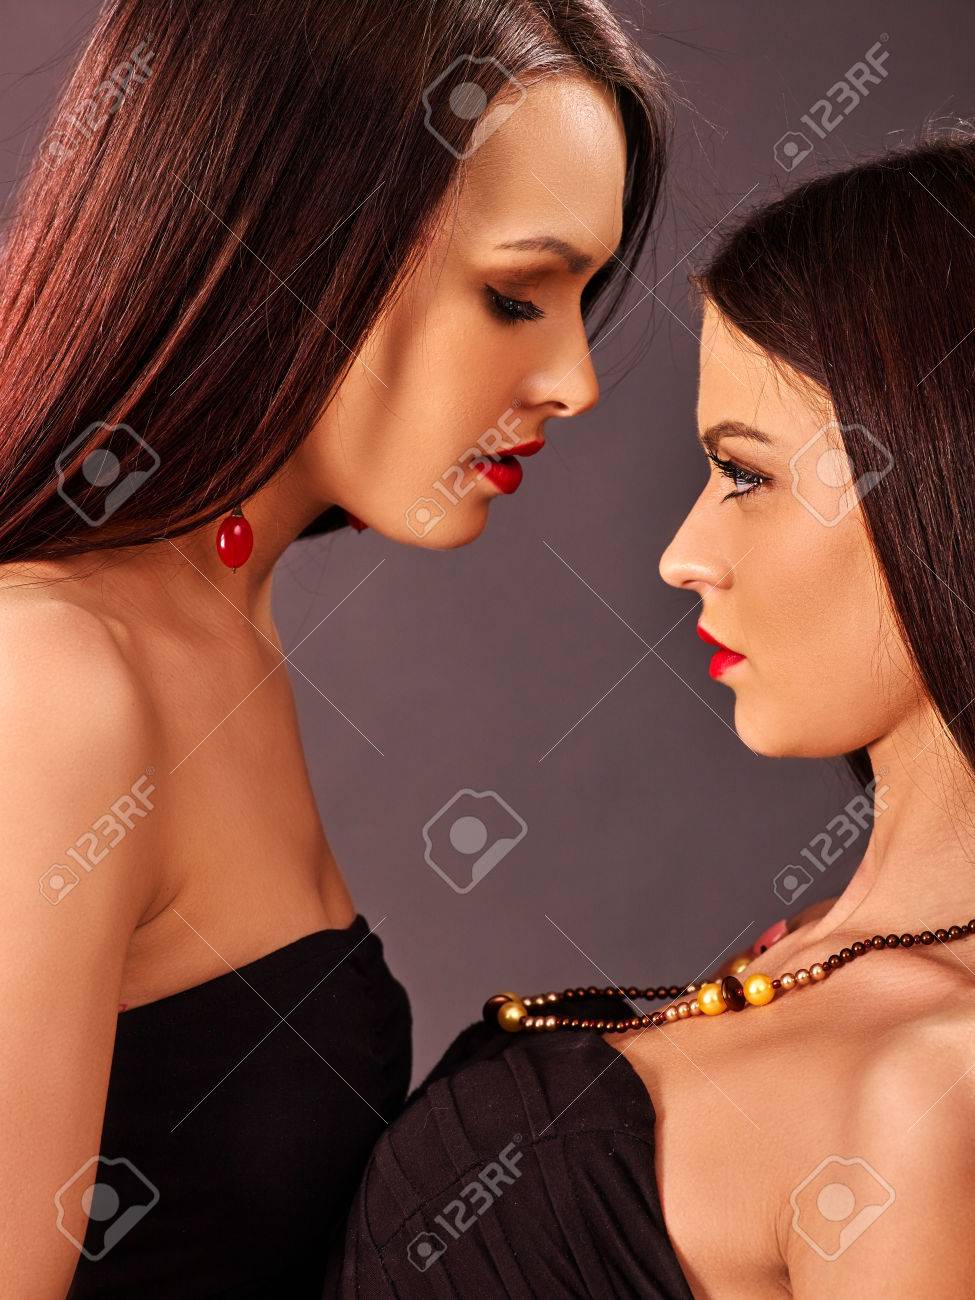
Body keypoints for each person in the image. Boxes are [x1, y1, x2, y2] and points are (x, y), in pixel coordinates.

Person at [0, 0, 669, 1294]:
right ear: (293, 246)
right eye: (514, 294)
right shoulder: (52, 679)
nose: (575, 380)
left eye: (580, 299)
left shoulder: (208, 625)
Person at [324, 134, 975, 1298]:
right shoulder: (831, 950)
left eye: (748, 474)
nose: (682, 554)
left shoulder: (927, 1096)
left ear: (941, 480)